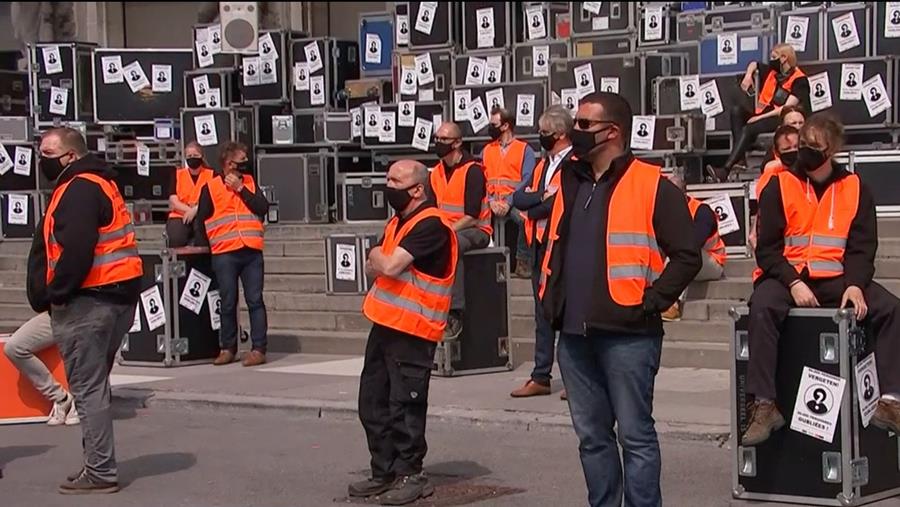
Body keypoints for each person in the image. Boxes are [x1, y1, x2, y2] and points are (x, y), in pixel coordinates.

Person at [538, 92, 701, 506]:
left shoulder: (652, 185)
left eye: (584, 124)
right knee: (592, 438)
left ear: (612, 132)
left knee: (635, 436)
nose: (575, 131)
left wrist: (651, 301)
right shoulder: (569, 181)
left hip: (630, 334)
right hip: (573, 334)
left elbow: (687, 256)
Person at [742, 113, 900, 446]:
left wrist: (856, 284)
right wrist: (792, 282)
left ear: (830, 150)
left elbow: (862, 247)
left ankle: (891, 401)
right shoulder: (779, 184)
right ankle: (765, 404)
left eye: (813, 146)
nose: (804, 152)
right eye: (803, 145)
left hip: (837, 277)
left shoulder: (855, 188)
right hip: (789, 276)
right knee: (762, 305)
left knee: (890, 308)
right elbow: (768, 249)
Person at [29, 127, 143, 494]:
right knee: (94, 387)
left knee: (87, 389)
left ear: (71, 157)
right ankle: (97, 464)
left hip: (89, 300)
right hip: (115, 297)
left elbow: (76, 250)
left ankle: (100, 470)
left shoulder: (78, 189)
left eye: (49, 152)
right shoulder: (99, 184)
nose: (42, 158)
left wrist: (56, 293)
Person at [351, 160, 458, 506]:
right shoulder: (399, 221)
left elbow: (389, 264)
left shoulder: (432, 224)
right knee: (372, 401)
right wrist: (379, 258)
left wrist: (376, 254)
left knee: (405, 405)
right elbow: (374, 268)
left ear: (417, 189)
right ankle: (384, 471)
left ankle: (411, 474)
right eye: (387, 177)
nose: (388, 185)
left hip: (414, 329)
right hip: (385, 323)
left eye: (395, 180)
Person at [510, 106, 573, 399]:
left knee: (569, 314)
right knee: (542, 314)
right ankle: (541, 376)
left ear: (560, 134)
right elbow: (519, 198)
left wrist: (537, 203)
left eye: (544, 133)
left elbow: (555, 204)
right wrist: (538, 199)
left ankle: (575, 381)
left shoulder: (574, 162)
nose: (540, 137)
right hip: (538, 246)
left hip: (562, 246)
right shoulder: (541, 165)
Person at [194, 142, 270, 367]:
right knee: (227, 302)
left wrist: (240, 188)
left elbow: (262, 207)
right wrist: (206, 249)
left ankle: (258, 348)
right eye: (240, 162)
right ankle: (228, 347)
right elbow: (202, 221)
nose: (245, 166)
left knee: (255, 300)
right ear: (228, 164)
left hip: (250, 251)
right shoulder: (211, 187)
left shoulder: (249, 183)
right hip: (225, 253)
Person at [707, 44, 809, 182]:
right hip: (762, 115)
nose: (771, 60)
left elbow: (786, 108)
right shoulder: (772, 72)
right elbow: (754, 64)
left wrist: (758, 118)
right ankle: (740, 160)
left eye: (774, 57)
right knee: (736, 111)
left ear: (784, 58)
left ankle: (725, 169)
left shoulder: (800, 80)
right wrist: (748, 76)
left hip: (779, 118)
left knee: (750, 127)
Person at [430, 122, 491, 338]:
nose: (438, 143)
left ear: (457, 143)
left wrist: (445, 232)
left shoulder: (473, 170)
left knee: (452, 244)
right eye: (436, 138)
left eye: (443, 139)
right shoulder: (436, 172)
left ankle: (455, 313)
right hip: (447, 227)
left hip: (477, 230)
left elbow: (472, 216)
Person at [661, 175, 727, 322]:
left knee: (682, 255)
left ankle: (673, 306)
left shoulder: (702, 211)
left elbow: (694, 242)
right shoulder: (667, 211)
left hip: (713, 262)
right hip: (692, 261)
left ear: (683, 194)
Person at [482, 107, 537, 278]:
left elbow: (527, 179)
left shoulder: (524, 149)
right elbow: (481, 178)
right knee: (475, 222)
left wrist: (509, 201)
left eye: (494, 124)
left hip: (512, 201)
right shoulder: (487, 150)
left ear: (505, 126)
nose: (490, 128)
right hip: (490, 201)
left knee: (525, 220)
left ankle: (522, 261)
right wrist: (491, 200)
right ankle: (484, 264)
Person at [3, 312, 79, 426]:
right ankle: (61, 398)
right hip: (59, 312)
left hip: (94, 311)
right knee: (14, 347)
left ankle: (82, 400)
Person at [750, 125, 800, 251]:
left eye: (796, 147)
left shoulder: (811, 173)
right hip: (783, 252)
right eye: (787, 148)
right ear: (777, 152)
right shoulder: (770, 179)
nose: (793, 152)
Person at [166, 142, 214, 247]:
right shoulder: (177, 174)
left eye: (195, 156)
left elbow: (214, 198)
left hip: (202, 214)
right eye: (189, 156)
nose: (192, 158)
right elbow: (174, 202)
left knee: (202, 237)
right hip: (179, 214)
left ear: (202, 157)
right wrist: (189, 211)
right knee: (176, 237)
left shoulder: (212, 175)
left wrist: (196, 210)